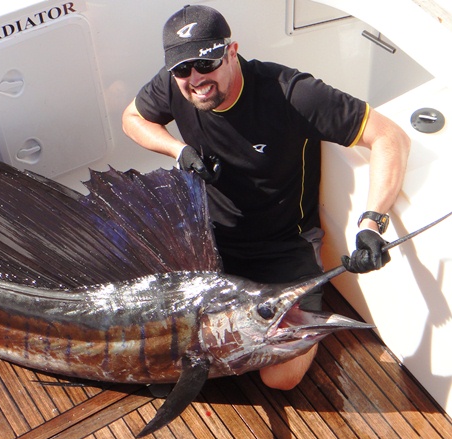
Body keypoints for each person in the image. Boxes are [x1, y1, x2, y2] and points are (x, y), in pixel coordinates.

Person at [122, 5, 410, 390]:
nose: (196, 79)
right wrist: (178, 151)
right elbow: (133, 118)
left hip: (282, 246)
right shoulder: (176, 84)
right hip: (207, 241)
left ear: (231, 51)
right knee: (144, 336)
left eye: (206, 64)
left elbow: (390, 137)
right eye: (183, 69)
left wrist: (372, 222)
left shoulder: (292, 94)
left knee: (281, 378)